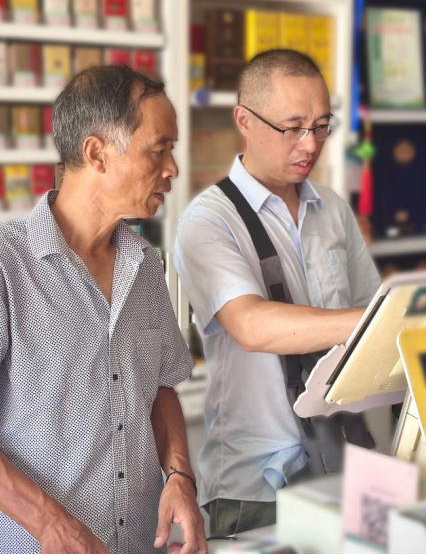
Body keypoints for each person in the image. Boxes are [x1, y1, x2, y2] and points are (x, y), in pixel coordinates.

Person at [0, 66, 207, 554]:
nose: (172, 168)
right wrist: (50, 524)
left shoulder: (147, 267)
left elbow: (159, 387)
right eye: (159, 149)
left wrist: (179, 476)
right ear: (97, 153)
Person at [174, 50, 382, 538]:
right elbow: (253, 326)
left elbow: (371, 310)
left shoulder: (333, 210)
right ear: (244, 121)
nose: (310, 144)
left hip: (346, 459)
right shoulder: (208, 220)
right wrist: (382, 318)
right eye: (293, 128)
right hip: (258, 485)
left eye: (322, 127)